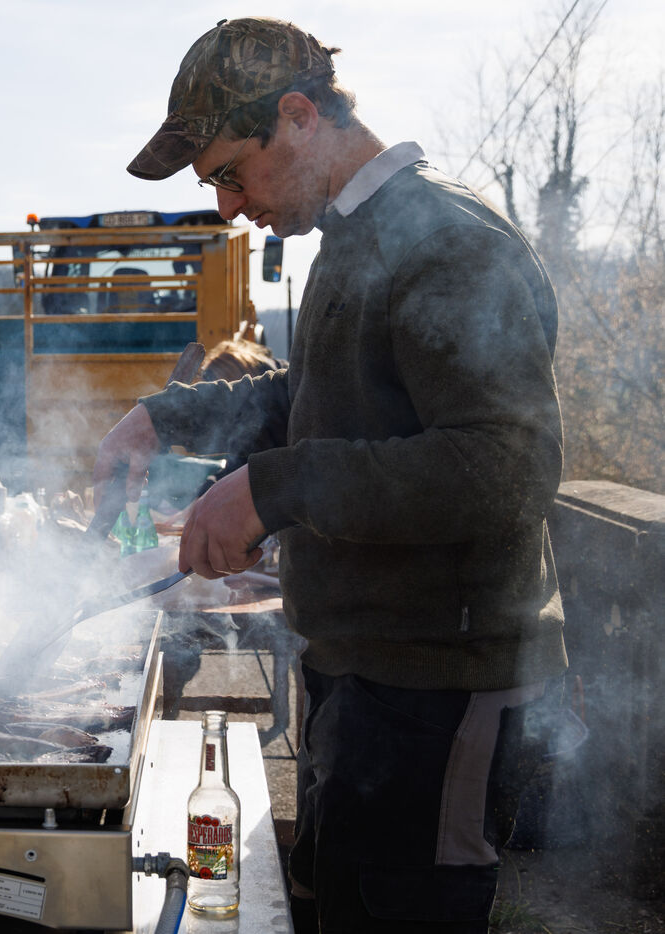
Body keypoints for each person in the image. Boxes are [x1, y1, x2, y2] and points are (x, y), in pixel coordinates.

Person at [94, 17, 567, 933]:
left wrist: (273, 488)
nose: (226, 206)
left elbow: (506, 466)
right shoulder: (353, 238)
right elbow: (314, 400)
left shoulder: (444, 240)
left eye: (231, 172)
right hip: (359, 672)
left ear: (299, 117)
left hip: (434, 687)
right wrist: (168, 416)